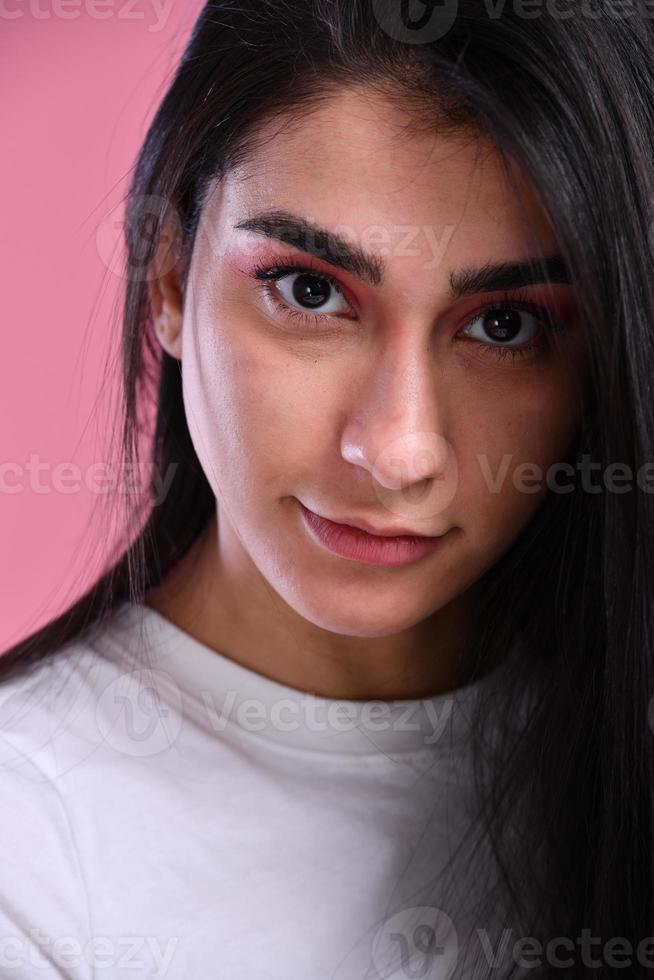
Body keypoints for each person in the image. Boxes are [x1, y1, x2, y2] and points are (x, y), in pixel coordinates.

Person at [2, 1, 653, 977]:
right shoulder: (31, 853)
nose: (397, 449)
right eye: (310, 290)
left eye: (508, 323)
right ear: (171, 274)